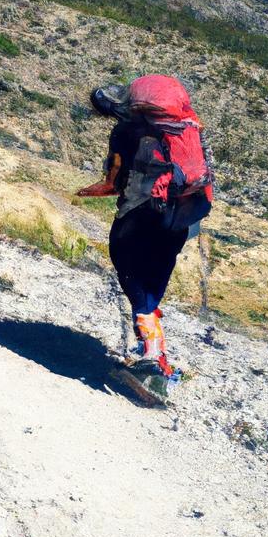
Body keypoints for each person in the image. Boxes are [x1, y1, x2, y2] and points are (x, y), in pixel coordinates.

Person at [77, 75, 213, 380]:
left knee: (127, 264)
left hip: (143, 212)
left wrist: (103, 189)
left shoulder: (125, 132)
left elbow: (114, 177)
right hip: (183, 218)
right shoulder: (187, 129)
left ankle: (151, 353)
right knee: (155, 278)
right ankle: (157, 354)